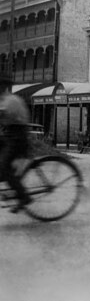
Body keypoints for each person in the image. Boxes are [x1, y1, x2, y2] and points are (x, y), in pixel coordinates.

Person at [0, 75, 31, 212]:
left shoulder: (9, 100)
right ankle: (11, 185)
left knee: (4, 166)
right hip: (10, 135)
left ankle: (23, 196)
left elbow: (1, 114)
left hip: (17, 137)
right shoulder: (5, 99)